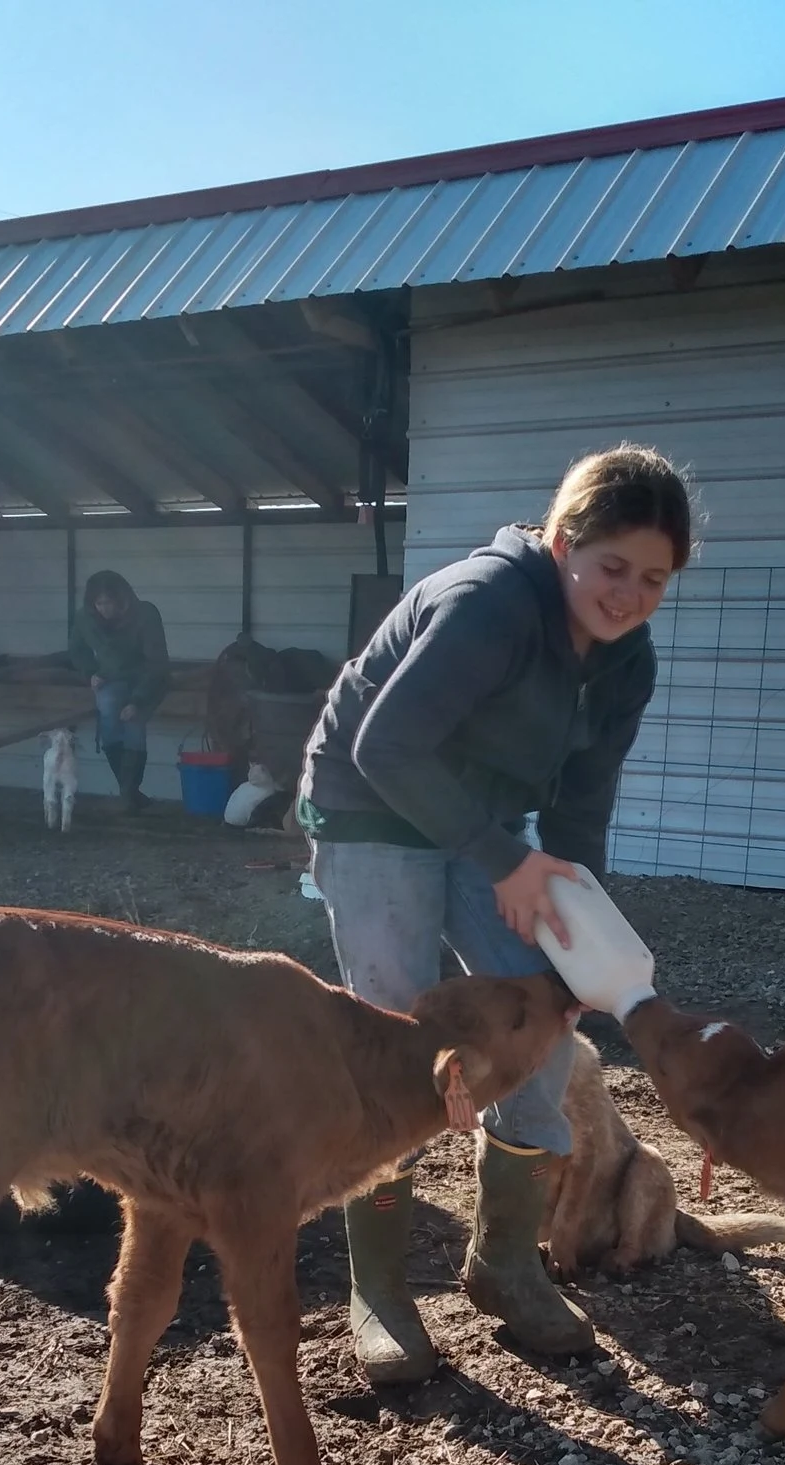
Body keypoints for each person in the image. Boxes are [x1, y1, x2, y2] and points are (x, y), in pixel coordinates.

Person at [298, 443, 695, 1381]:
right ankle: (382, 1293)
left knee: (548, 1026)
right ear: (562, 542)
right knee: (394, 1037)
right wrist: (501, 859)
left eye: (654, 578)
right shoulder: (488, 604)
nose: (628, 593)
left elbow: (580, 807)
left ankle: (504, 1263)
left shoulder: (625, 660)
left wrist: (575, 942)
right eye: (610, 567)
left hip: (481, 815)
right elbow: (385, 744)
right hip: (369, 804)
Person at [68, 569, 170, 813]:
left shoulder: (145, 614)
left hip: (146, 679)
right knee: (109, 722)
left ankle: (128, 793)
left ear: (121, 599)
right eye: (99, 602)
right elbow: (77, 650)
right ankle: (129, 792)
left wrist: (138, 700)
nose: (104, 608)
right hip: (109, 678)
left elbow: (156, 663)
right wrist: (89, 672)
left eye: (109, 602)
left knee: (133, 726)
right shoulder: (85, 618)